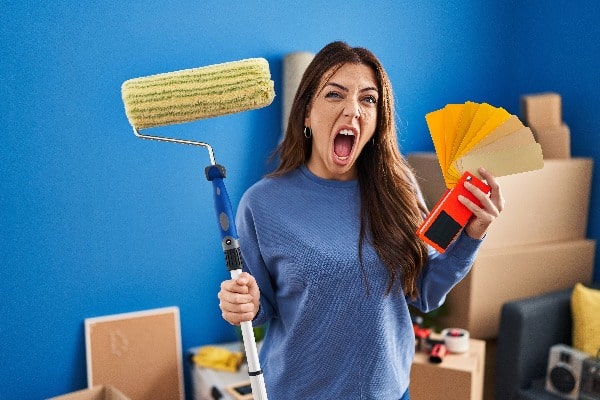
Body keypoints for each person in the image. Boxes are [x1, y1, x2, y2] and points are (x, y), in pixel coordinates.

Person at [218, 41, 504, 399]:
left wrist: (472, 236)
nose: (353, 110)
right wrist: (244, 304)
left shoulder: (398, 189)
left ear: (377, 119)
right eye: (335, 95)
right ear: (306, 112)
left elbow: (426, 292)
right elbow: (261, 307)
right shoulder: (261, 204)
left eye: (368, 99)